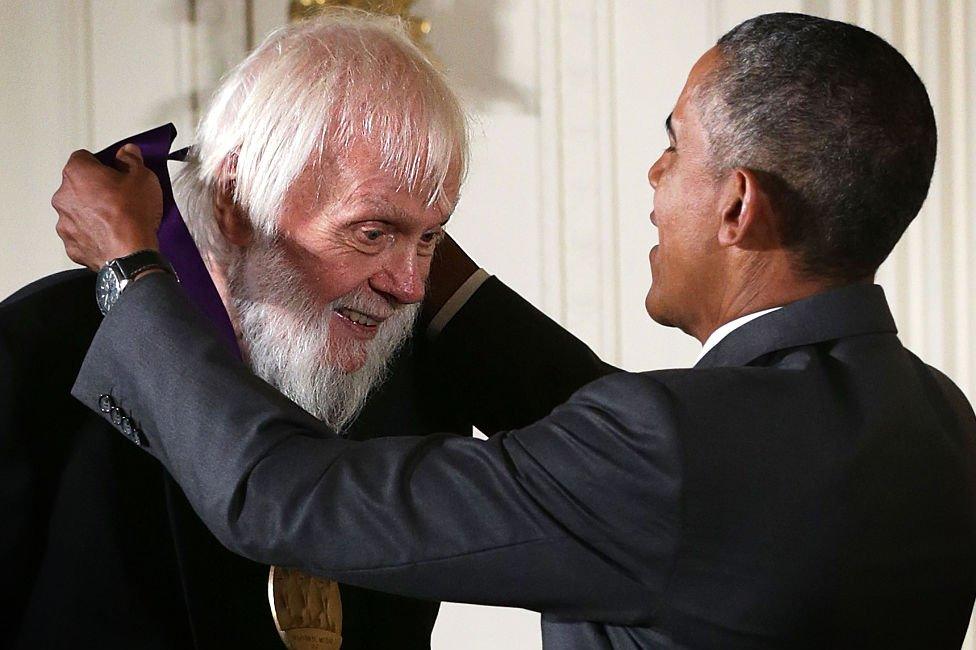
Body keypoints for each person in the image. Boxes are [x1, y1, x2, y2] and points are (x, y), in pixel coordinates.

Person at [53, 12, 976, 649]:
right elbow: (616, 434)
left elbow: (281, 497)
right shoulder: (937, 422)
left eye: (675, 146)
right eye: (383, 235)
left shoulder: (672, 458)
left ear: (738, 205)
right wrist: (410, 241)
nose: (653, 178)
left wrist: (133, 267)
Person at [3, 10, 485, 649]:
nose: (410, 287)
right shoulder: (35, 351)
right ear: (237, 203)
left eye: (429, 239)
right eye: (372, 232)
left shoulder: (422, 386)